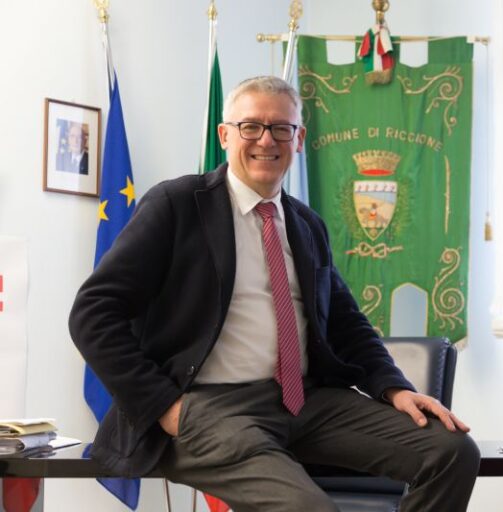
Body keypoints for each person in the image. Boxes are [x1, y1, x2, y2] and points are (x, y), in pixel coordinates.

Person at [69, 76, 480, 511]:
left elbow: (346, 323)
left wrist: (393, 387)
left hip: (304, 401)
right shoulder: (178, 205)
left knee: (451, 451)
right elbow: (93, 313)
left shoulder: (306, 224)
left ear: (298, 139)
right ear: (224, 135)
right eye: (250, 126)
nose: (266, 140)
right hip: (207, 406)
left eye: (281, 128)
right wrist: (164, 406)